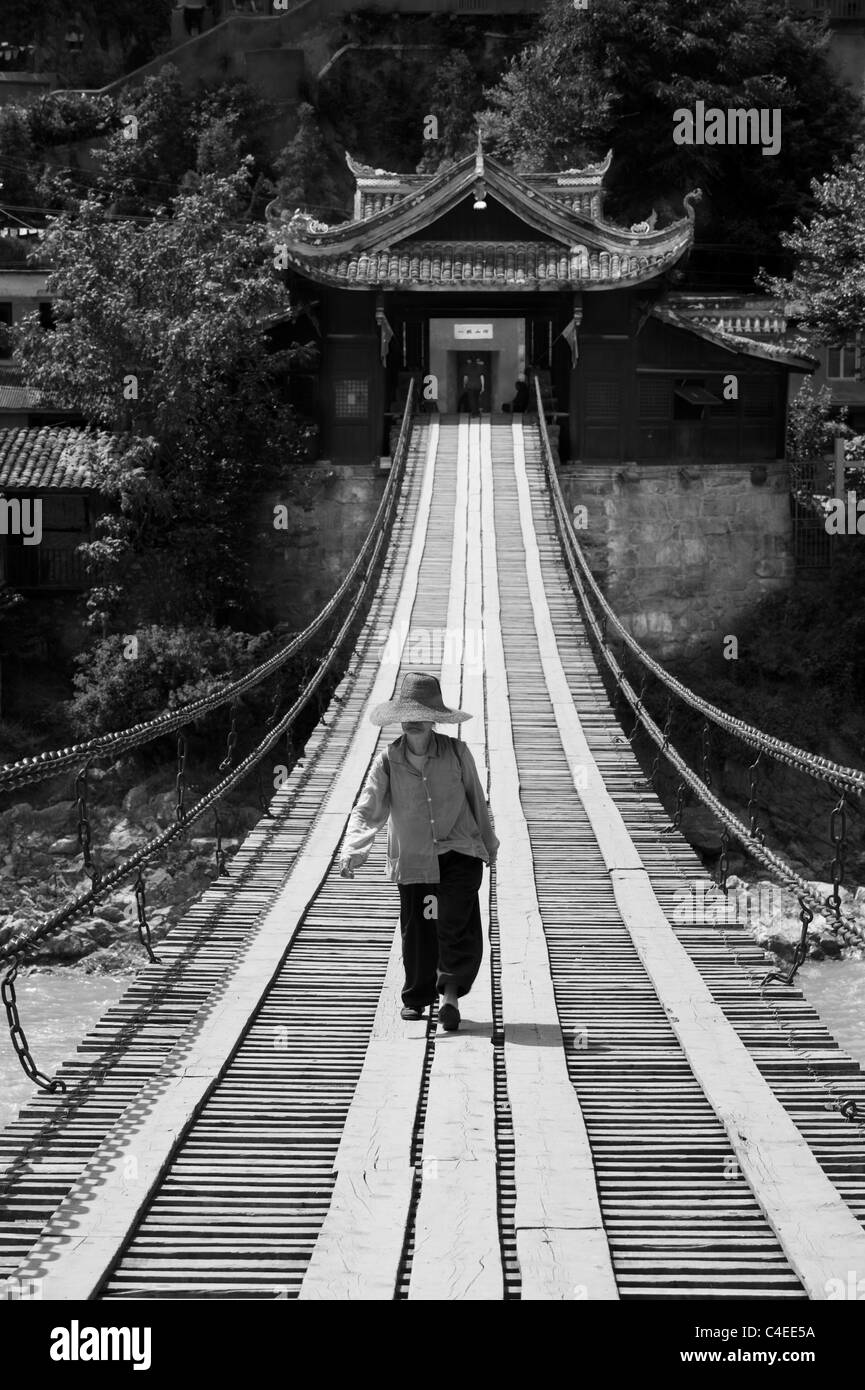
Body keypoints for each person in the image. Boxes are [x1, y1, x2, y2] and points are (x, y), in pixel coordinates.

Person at [339, 671, 499, 1032]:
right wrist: (353, 850)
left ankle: (449, 998)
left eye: (420, 713)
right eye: (407, 714)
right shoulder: (387, 761)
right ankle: (416, 997)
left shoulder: (457, 753)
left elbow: (477, 798)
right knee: (420, 926)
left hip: (460, 852)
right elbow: (368, 808)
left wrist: (489, 846)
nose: (412, 720)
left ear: (433, 719)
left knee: (455, 921)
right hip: (413, 859)